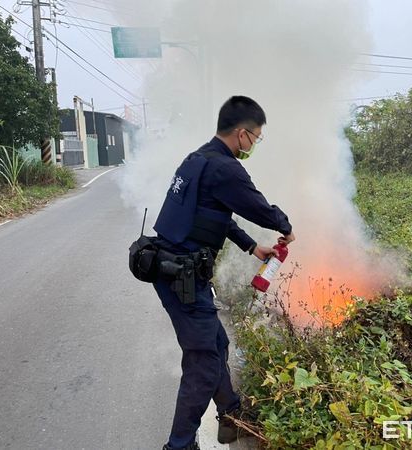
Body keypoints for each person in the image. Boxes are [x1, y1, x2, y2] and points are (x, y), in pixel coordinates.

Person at [152, 96, 295, 450]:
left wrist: (251, 247)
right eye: (256, 137)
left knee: (217, 343)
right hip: (183, 276)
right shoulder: (225, 168)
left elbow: (218, 216)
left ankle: (233, 415)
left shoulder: (198, 158)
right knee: (202, 364)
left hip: (173, 268)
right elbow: (255, 205)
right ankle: (180, 445)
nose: (254, 144)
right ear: (243, 133)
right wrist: (284, 226)